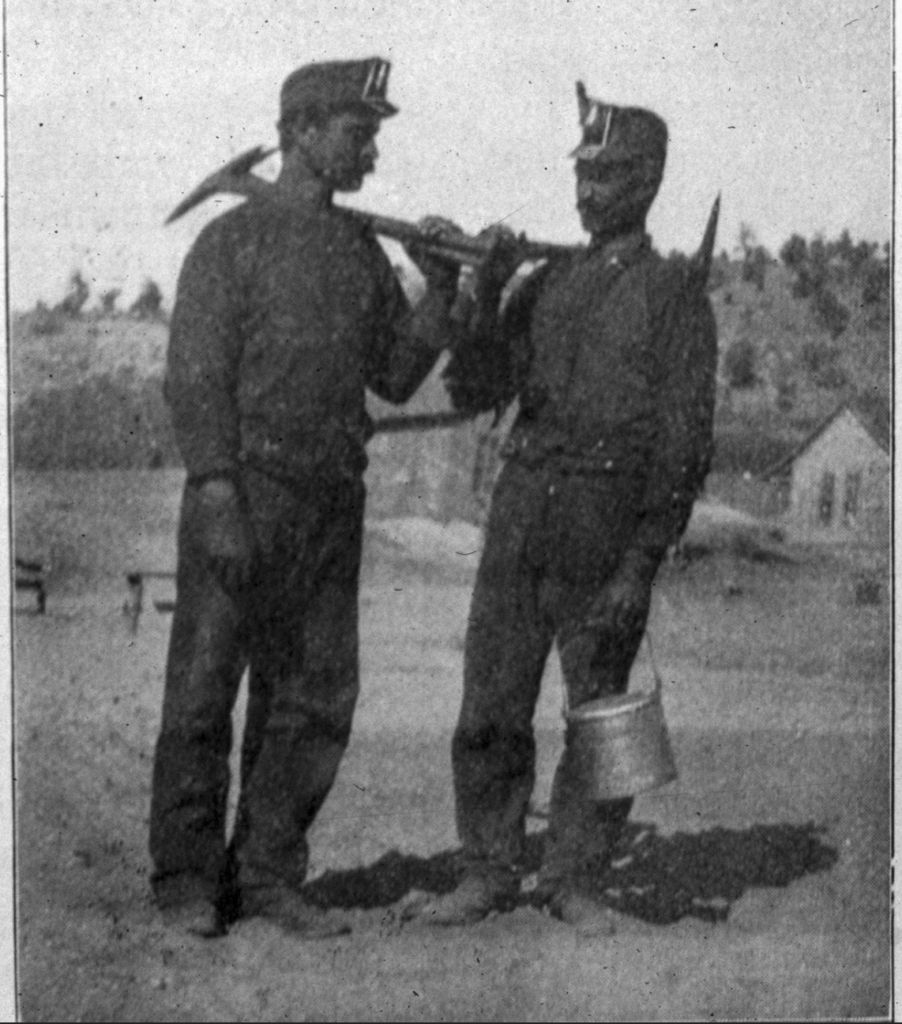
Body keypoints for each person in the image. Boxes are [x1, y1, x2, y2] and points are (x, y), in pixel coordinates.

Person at [149, 57, 462, 938]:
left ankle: (269, 876)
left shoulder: (363, 255)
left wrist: (441, 288)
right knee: (207, 688)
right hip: (242, 492)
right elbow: (194, 376)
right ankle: (183, 881)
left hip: (329, 505)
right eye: (357, 132)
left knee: (315, 695)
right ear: (299, 133)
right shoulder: (229, 243)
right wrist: (214, 488)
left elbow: (397, 378)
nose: (370, 150)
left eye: (373, 135)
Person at [415, 82, 718, 933]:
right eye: (582, 175)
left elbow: (684, 447)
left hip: (606, 527)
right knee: (489, 708)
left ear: (650, 181)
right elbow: (474, 386)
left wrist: (640, 563)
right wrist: (483, 290)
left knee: (600, 715)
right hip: (521, 515)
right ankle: (486, 872)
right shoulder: (541, 284)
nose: (588, 193)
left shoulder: (674, 299)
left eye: (610, 176)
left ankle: (575, 881)